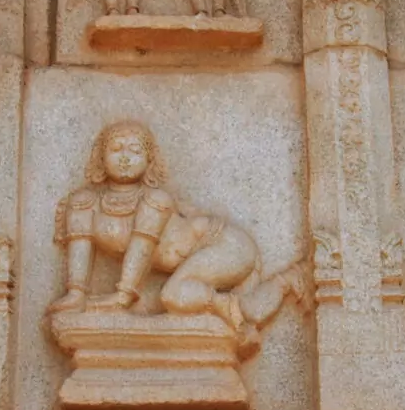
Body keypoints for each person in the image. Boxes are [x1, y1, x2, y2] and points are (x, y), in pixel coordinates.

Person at [49, 121, 309, 348]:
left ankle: (278, 285)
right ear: (100, 158)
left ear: (150, 160)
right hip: (192, 262)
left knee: (174, 296)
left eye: (135, 150)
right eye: (115, 150)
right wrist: (76, 295)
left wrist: (122, 297)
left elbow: (142, 248)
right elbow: (80, 252)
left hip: (225, 244)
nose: (125, 157)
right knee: (173, 297)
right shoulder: (84, 202)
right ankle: (230, 307)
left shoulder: (155, 199)